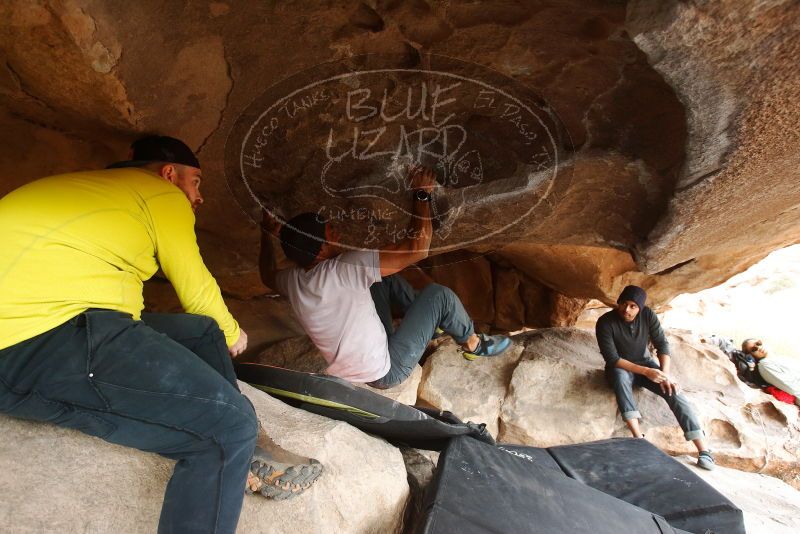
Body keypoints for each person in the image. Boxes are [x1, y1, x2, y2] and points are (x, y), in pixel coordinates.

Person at [0, 136, 322, 534]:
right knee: (226, 428)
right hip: (39, 338)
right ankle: (234, 433)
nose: (199, 197)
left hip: (38, 324)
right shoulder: (159, 193)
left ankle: (247, 441)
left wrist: (212, 329)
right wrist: (231, 329)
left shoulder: (90, 190)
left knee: (198, 333)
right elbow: (194, 284)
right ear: (170, 174)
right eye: (197, 182)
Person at [259, 165, 512, 388]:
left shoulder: (293, 280)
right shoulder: (344, 269)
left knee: (384, 278)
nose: (337, 233)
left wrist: (267, 234)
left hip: (359, 367)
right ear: (321, 248)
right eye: (330, 231)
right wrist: (422, 193)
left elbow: (267, 275)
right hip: (386, 371)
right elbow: (417, 250)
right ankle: (474, 345)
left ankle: (430, 326)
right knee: (439, 296)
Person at [595, 285, 715, 470]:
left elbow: (662, 344)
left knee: (673, 390)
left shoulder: (648, 315)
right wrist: (645, 372)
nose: (627, 309)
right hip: (621, 368)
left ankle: (704, 450)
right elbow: (612, 358)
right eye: (624, 304)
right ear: (618, 303)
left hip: (646, 365)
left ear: (640, 308)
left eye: (633, 306)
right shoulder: (605, 322)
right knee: (619, 377)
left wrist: (665, 374)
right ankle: (638, 438)